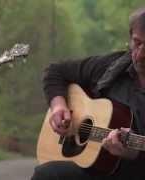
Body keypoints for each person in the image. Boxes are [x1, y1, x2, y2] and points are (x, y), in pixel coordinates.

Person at [32, 7, 145, 180]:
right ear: (130, 38)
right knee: (47, 174)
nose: (140, 55)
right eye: (137, 43)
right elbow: (56, 72)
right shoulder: (112, 66)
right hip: (93, 170)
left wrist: (134, 154)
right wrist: (58, 106)